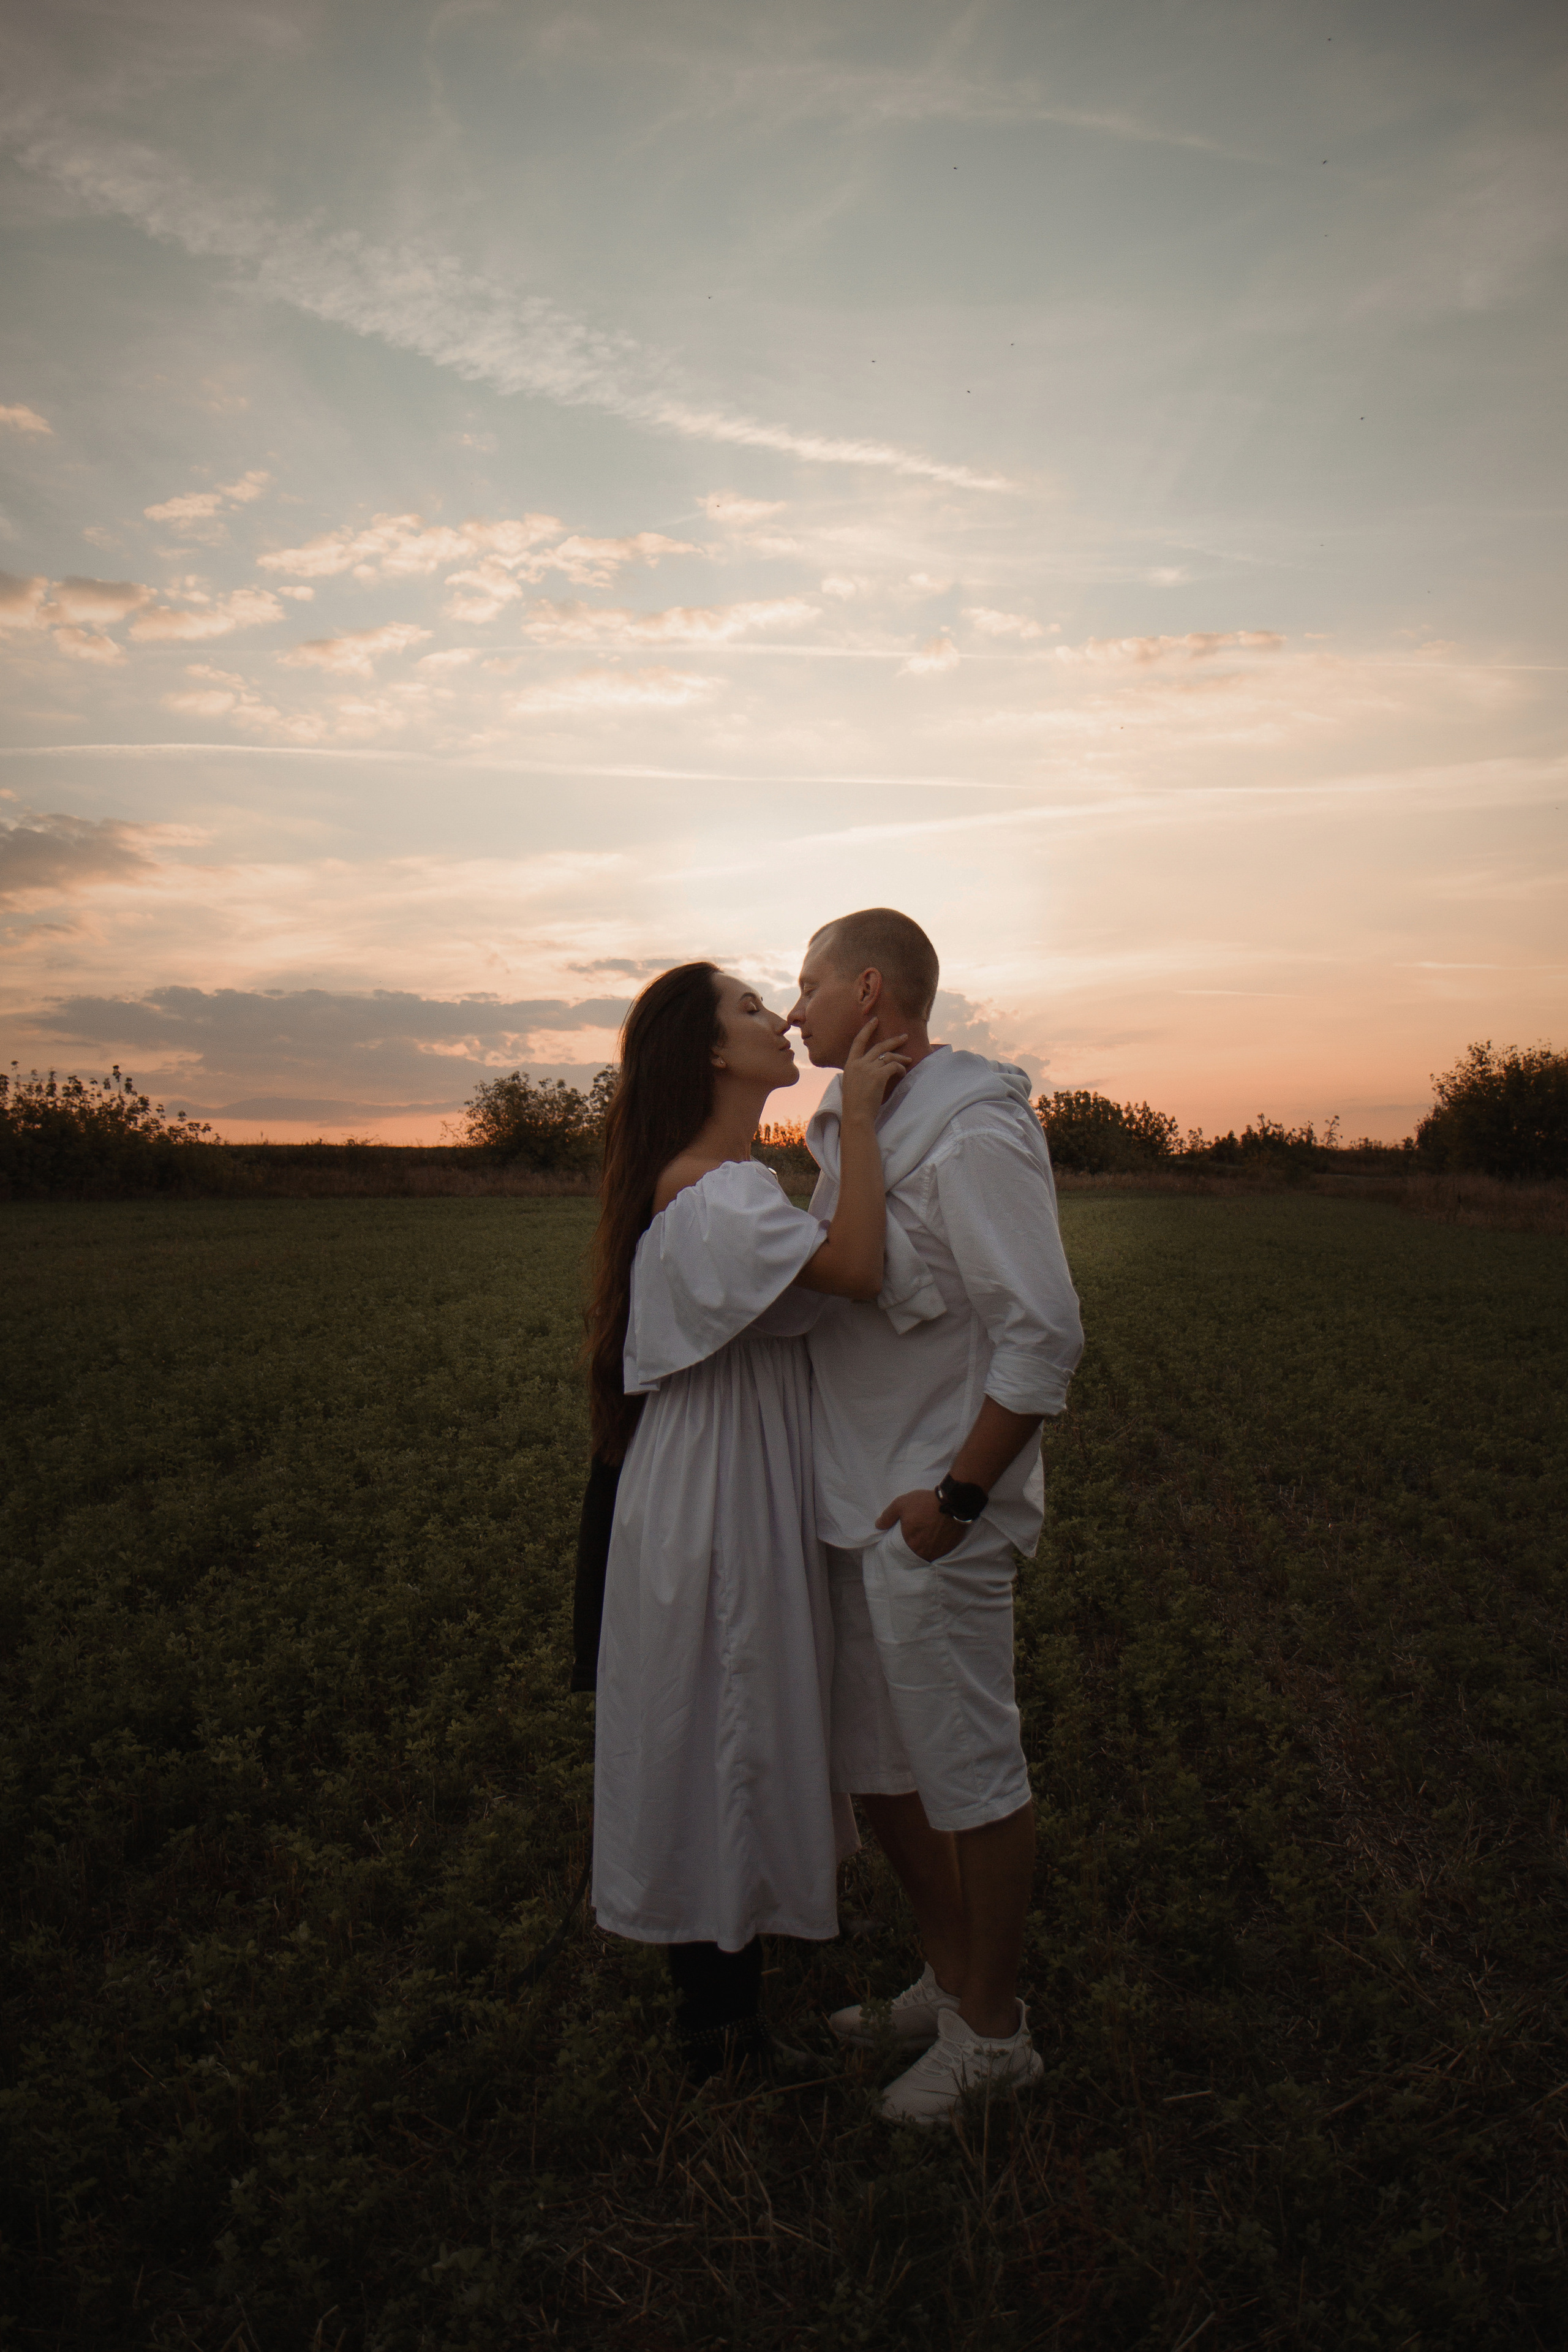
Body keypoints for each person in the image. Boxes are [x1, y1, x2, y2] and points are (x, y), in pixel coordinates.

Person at [586, 960, 909, 2079]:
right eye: (748, 1007)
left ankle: (722, 2004)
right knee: (723, 1727)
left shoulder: (722, 1184)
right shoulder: (716, 1194)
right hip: (718, 1496)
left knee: (729, 1720)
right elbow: (859, 1268)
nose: (778, 1017)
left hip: (721, 1478)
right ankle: (718, 2039)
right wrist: (857, 1116)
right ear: (714, 1055)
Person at [787, 909, 1084, 2125]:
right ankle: (948, 1981)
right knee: (881, 1769)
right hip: (857, 1501)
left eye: (802, 981)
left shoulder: (970, 1131)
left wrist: (958, 1499)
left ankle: (995, 2033)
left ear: (866, 990)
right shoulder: (864, 1124)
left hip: (931, 1512)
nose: (790, 1003)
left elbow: (1044, 1332)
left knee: (964, 1767)